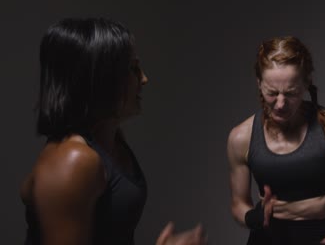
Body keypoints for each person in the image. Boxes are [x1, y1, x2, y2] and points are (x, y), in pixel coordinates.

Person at [20, 17, 207, 245]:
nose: (144, 79)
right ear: (101, 77)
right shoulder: (73, 161)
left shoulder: (111, 139)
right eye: (133, 69)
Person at [227, 36, 325, 244]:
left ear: (306, 83)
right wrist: (251, 217)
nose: (280, 104)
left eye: (291, 93)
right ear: (259, 83)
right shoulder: (241, 137)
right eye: (272, 93)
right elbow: (238, 203)